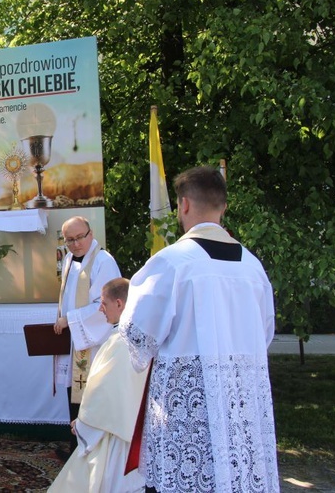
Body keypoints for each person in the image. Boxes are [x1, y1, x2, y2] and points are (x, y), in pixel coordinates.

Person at [119, 166, 279, 492]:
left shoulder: (172, 262)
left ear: (184, 205)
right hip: (240, 412)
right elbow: (265, 335)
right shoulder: (253, 267)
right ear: (223, 207)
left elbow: (136, 333)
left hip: (188, 417)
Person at [49, 277, 146, 492]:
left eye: (103, 303)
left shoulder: (119, 342)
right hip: (136, 431)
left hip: (116, 437)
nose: (100, 310)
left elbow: (104, 393)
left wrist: (83, 423)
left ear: (119, 304)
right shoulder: (142, 337)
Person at [53, 215, 121, 459]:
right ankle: (76, 451)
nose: (75, 244)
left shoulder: (104, 262)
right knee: (74, 398)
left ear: (91, 234)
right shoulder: (70, 260)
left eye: (80, 237)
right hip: (76, 341)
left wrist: (69, 319)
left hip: (93, 343)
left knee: (92, 397)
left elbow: (106, 306)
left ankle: (93, 452)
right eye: (69, 240)